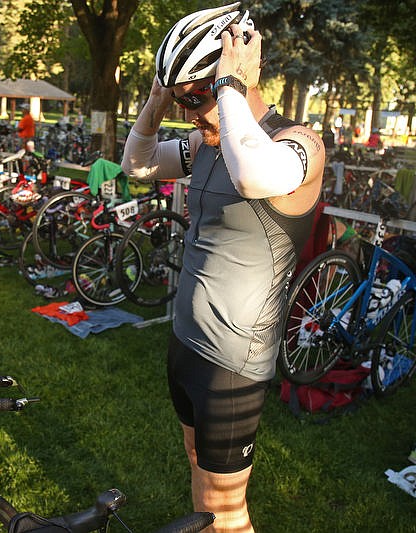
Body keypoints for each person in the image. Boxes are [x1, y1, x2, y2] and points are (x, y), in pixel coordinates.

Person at [120, 5, 324, 532]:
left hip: (233, 364)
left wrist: (230, 87)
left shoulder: (299, 145)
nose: (189, 112)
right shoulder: (206, 143)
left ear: (232, 77)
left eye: (196, 96)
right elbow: (137, 164)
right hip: (185, 344)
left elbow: (254, 176)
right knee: (200, 479)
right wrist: (158, 99)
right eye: (181, 99)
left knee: (227, 509)